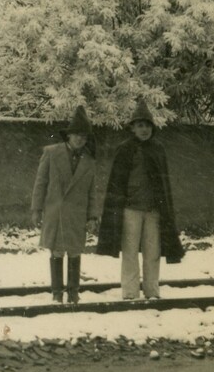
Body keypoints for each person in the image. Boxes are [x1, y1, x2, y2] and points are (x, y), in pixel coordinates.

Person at [97, 100, 184, 300]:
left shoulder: (158, 149)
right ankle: (130, 293)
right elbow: (117, 182)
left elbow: (163, 184)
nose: (144, 130)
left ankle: (152, 291)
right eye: (140, 125)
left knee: (152, 252)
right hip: (131, 210)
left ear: (152, 128)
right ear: (133, 128)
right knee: (129, 253)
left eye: (147, 126)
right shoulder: (125, 149)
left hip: (153, 211)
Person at [31, 105, 98, 304]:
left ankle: (73, 292)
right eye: (76, 134)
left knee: (75, 251)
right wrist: (36, 209)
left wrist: (93, 216)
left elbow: (92, 192)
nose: (80, 139)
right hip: (56, 212)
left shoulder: (89, 161)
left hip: (77, 214)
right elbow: (40, 183)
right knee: (57, 251)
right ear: (68, 135)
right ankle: (57, 293)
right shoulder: (51, 153)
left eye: (84, 136)